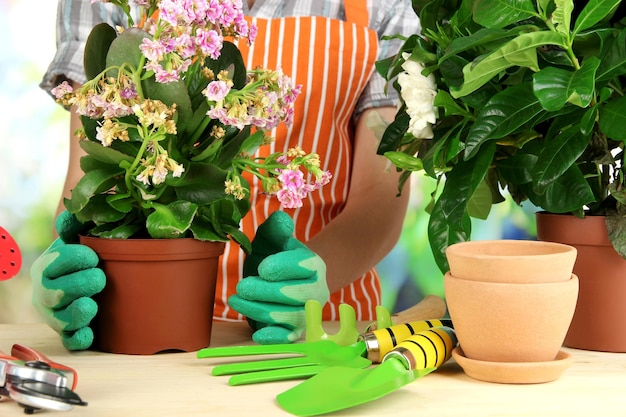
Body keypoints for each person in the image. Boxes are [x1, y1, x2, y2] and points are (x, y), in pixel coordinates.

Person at [33, 0, 419, 349]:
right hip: (139, 321)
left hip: (315, 327)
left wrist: (309, 279)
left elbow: (382, 196)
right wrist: (64, 264)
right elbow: (94, 168)